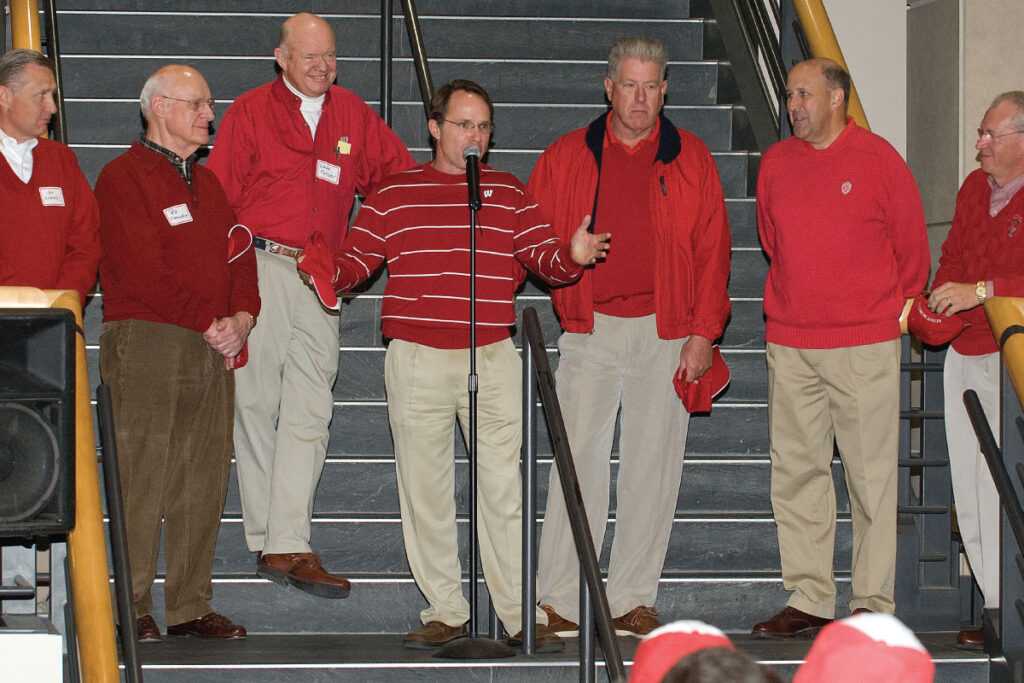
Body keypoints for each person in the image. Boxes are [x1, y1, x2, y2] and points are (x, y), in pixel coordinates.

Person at [298, 79, 610, 651]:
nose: (475, 136)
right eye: (464, 124)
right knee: (426, 489)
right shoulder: (394, 193)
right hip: (417, 357)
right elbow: (356, 264)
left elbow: (546, 260)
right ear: (435, 128)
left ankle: (520, 615)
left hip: (490, 355)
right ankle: (446, 609)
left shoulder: (507, 192)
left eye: (483, 127)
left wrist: (573, 255)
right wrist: (325, 270)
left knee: (502, 490)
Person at [527, 35, 732, 638]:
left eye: (652, 86)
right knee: (576, 468)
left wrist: (703, 332)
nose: (640, 99)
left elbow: (714, 252)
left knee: (652, 471)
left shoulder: (691, 157)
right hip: (590, 333)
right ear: (608, 88)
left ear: (665, 89)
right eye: (630, 85)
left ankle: (631, 600)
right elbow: (530, 241)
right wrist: (563, 256)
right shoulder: (567, 156)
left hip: (666, 335)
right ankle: (559, 600)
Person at [206, 12, 415, 597]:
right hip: (260, 266)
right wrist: (224, 289)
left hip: (322, 277)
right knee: (255, 405)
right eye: (309, 58)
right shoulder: (250, 111)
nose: (322, 67)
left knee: (311, 411)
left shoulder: (351, 113)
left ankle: (285, 541)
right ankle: (278, 539)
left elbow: (399, 184)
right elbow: (219, 200)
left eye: (330, 56)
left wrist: (363, 251)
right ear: (281, 58)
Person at [751, 58, 930, 638]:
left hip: (864, 345)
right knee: (797, 474)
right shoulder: (776, 163)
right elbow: (772, 242)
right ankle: (809, 597)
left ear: (837, 98)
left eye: (804, 93)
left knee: (870, 478)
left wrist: (885, 317)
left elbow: (912, 256)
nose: (792, 104)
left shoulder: (879, 160)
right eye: (788, 94)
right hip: (792, 342)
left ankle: (872, 605)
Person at [96, 65, 259, 641]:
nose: (209, 115)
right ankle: (132, 602)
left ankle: (190, 604)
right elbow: (143, 269)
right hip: (147, 339)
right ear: (160, 107)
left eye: (209, 105)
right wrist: (211, 321)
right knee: (141, 474)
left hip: (211, 344)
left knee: (204, 476)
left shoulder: (209, 185)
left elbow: (241, 254)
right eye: (198, 105)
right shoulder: (122, 177)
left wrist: (242, 317)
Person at [927, 91, 1024, 649]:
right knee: (970, 483)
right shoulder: (971, 189)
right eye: (981, 134)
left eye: (991, 135)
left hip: (1010, 356)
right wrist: (941, 301)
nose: (979, 144)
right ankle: (992, 604)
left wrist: (980, 291)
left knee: (1001, 483)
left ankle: (1008, 607)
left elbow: (991, 282)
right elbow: (954, 260)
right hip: (964, 350)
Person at [0, 49, 99, 304]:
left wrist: (62, 299)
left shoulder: (62, 160)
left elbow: (85, 242)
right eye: (41, 95)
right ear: (3, 96)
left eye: (52, 95)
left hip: (54, 321)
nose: (52, 108)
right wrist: (24, 301)